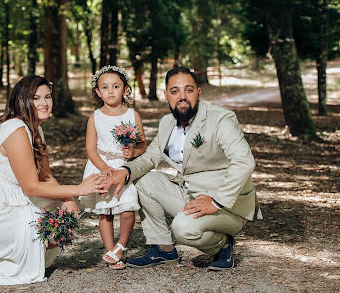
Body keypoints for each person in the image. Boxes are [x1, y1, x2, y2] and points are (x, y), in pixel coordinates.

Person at [0, 75, 106, 285]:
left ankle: (37, 251)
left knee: (65, 210)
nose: (44, 103)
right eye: (36, 98)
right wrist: (80, 188)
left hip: (10, 195)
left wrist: (69, 201)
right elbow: (32, 187)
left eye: (48, 97)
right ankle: (9, 256)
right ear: (23, 101)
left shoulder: (36, 128)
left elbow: (46, 176)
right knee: (38, 221)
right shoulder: (16, 130)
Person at [106, 66, 262, 270]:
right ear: (166, 96)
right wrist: (124, 172)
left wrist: (216, 201)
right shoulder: (167, 123)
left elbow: (244, 162)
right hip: (191, 196)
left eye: (188, 90)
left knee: (183, 229)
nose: (182, 97)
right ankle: (164, 249)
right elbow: (150, 158)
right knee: (141, 179)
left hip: (227, 205)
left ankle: (223, 245)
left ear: (198, 92)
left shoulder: (221, 119)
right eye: (175, 91)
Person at [79, 65, 147, 270]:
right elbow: (90, 149)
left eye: (115, 86)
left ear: (125, 89)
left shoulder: (132, 115)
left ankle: (121, 246)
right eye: (105, 87)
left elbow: (143, 144)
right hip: (101, 166)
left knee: (127, 208)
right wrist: (103, 167)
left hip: (123, 167)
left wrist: (133, 153)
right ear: (98, 92)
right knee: (105, 211)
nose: (110, 91)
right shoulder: (95, 117)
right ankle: (110, 250)